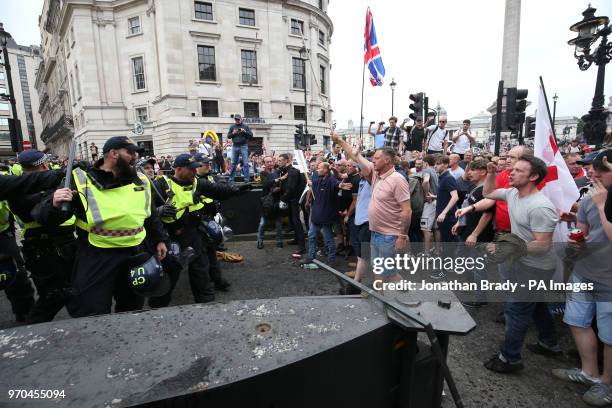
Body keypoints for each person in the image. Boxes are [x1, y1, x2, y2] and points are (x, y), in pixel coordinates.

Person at [42, 136, 168, 317]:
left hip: (134, 252)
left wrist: (160, 239)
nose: (135, 157)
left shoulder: (141, 180)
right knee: (91, 310)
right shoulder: (80, 179)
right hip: (97, 253)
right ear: (113, 154)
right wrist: (53, 205)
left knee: (132, 307)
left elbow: (150, 215)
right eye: (130, 152)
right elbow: (47, 217)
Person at [483, 155, 561, 373]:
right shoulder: (512, 193)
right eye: (512, 169)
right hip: (523, 262)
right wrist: (490, 173)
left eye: (518, 170)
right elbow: (487, 193)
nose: (511, 172)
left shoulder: (540, 206)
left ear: (534, 177)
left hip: (535, 268)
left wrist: (506, 248)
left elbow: (543, 245)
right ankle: (549, 343)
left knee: (516, 309)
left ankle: (510, 358)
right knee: (536, 305)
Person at [552, 149, 612, 406]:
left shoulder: (596, 200)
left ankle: (607, 383)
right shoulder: (589, 197)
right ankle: (589, 373)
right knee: (577, 321)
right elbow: (585, 233)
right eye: (591, 167)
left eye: (602, 169)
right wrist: (576, 234)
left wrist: (601, 206)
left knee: (609, 335)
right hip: (585, 271)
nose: (593, 172)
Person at [153, 154, 248, 304]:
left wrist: (236, 190)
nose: (194, 171)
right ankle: (158, 307)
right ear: (178, 169)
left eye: (195, 168)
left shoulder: (197, 182)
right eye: (191, 169)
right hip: (170, 236)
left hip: (193, 232)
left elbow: (217, 190)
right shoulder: (161, 185)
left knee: (201, 268)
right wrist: (159, 211)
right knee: (171, 272)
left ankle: (206, 302)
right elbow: (146, 210)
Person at [332, 133, 411, 287]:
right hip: (375, 232)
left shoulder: (397, 180)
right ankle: (380, 298)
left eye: (376, 158)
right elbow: (356, 158)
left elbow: (406, 211)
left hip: (389, 236)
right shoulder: (377, 174)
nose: (373, 160)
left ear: (387, 160)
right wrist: (340, 141)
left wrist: (402, 235)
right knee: (379, 270)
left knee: (390, 274)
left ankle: (410, 297)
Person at [8, 150, 76, 323]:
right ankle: (32, 327)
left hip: (62, 243)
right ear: (44, 165)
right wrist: (56, 194)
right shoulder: (19, 190)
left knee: (72, 289)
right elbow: (37, 206)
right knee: (52, 295)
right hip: (42, 247)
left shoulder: (23, 185)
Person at [301, 162, 351, 266]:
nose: (317, 169)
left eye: (319, 168)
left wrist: (341, 185)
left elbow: (336, 184)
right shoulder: (319, 180)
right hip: (317, 216)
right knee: (312, 236)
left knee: (328, 239)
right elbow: (313, 183)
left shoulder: (331, 180)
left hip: (326, 216)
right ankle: (311, 256)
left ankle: (331, 259)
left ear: (326, 170)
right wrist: (310, 184)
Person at [278, 153, 306, 255]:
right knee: (292, 221)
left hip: (293, 200)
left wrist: (283, 199)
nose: (278, 162)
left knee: (296, 222)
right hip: (290, 200)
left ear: (287, 161)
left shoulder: (292, 172)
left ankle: (302, 246)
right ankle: (296, 239)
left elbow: (290, 188)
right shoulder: (285, 171)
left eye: (280, 160)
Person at [257, 156, 284, 249]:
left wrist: (280, 188)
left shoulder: (277, 172)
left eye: (270, 161)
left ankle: (279, 241)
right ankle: (260, 241)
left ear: (273, 162)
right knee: (263, 223)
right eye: (267, 162)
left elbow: (281, 184)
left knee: (278, 223)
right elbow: (265, 184)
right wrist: (277, 180)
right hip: (267, 201)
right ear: (264, 164)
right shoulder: (262, 173)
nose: (269, 163)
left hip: (276, 200)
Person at [420, 154, 439, 253]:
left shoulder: (427, 170)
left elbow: (426, 181)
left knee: (425, 228)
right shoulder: (435, 171)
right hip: (437, 201)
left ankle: (426, 253)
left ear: (426, 163)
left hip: (430, 203)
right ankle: (437, 250)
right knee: (436, 228)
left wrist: (426, 194)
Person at [228, 114, 253, 183]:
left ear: (241, 119)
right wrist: (233, 133)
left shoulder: (245, 126)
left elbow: (251, 135)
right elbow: (228, 136)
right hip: (235, 146)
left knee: (245, 163)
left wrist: (244, 131)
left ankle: (246, 179)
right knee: (233, 163)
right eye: (236, 119)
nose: (237, 120)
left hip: (243, 146)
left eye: (238, 119)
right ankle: (231, 179)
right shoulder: (232, 127)